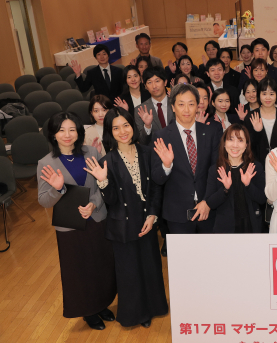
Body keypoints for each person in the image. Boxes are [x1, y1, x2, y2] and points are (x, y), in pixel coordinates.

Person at [84, 108, 168, 328]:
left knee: (150, 267)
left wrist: (152, 215)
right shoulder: (107, 161)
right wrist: (103, 181)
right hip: (122, 225)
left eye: (126, 125)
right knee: (129, 273)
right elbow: (111, 200)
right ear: (110, 132)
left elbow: (156, 188)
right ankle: (135, 314)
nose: (122, 131)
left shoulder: (147, 152)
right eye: (116, 128)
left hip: (147, 220)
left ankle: (153, 308)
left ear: (133, 126)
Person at [37, 112, 116, 331]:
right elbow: (43, 201)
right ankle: (88, 311)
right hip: (70, 225)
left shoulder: (91, 152)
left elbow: (103, 183)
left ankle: (102, 304)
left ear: (79, 132)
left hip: (96, 218)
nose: (67, 135)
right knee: (79, 270)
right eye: (61, 130)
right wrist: (57, 189)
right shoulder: (46, 163)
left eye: (72, 129)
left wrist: (94, 204)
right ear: (53, 134)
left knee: (101, 264)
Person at [151, 84, 223, 234]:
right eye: (181, 104)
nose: (186, 109)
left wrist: (208, 202)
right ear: (173, 107)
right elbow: (157, 178)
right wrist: (166, 165)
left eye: (191, 104)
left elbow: (216, 169)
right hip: (177, 214)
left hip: (208, 210)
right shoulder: (161, 136)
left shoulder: (210, 132)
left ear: (197, 106)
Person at [205, 124, 266, 233]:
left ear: (246, 145)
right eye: (231, 139)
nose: (235, 145)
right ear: (224, 143)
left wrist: (248, 185)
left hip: (251, 226)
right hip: (225, 229)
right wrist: (225, 189)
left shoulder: (255, 167)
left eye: (240, 140)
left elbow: (262, 199)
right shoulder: (215, 170)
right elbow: (210, 203)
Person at [244, 78, 277, 167]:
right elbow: (247, 145)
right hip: (257, 165)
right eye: (264, 94)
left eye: (271, 94)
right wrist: (257, 132)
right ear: (259, 95)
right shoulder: (251, 116)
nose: (268, 97)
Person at [134, 67, 172, 146]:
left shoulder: (176, 104)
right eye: (149, 82)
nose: (154, 86)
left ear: (165, 82)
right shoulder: (140, 110)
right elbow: (142, 141)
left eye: (157, 81)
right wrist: (147, 126)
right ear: (145, 86)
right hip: (154, 151)